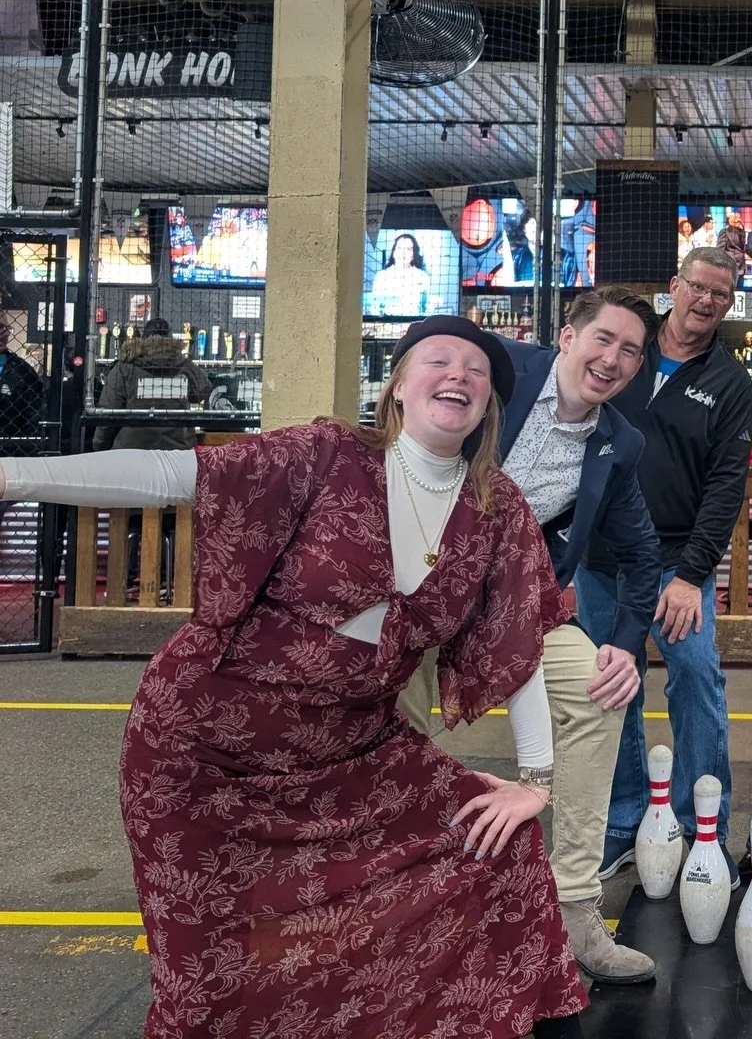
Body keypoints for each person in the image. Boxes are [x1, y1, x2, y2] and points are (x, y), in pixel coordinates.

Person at [0, 316, 587, 1039]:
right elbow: (170, 475)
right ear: (399, 385)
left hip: (353, 754)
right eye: (438, 359)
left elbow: (518, 644)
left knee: (499, 842)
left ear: (490, 403)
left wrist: (535, 782)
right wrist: (10, 475)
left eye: (477, 370)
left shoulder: (497, 510)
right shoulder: (325, 456)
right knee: (216, 974)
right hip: (206, 751)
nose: (458, 375)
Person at [398, 285, 664, 986]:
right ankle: (394, 898)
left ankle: (574, 910)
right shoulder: (497, 369)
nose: (612, 359)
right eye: (603, 338)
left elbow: (642, 553)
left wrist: (625, 644)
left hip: (510, 603)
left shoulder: (618, 442)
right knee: (386, 719)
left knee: (601, 691)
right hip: (408, 592)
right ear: (568, 337)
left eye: (630, 351)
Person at [575, 247, 752, 886]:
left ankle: (703, 830)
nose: (706, 301)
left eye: (720, 294)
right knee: (611, 689)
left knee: (697, 683)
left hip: (677, 565)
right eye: (698, 287)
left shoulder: (729, 382)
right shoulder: (625, 352)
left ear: (728, 304)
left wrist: (689, 576)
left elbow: (726, 488)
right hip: (603, 561)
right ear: (674, 287)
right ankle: (624, 822)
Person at [92, 318, 212, 451]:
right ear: (170, 338)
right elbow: (203, 390)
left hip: (131, 450)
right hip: (177, 450)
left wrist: (99, 445)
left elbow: (109, 412)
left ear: (143, 339)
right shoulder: (183, 365)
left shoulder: (125, 368)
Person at [0, 316, 45, 440]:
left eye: (6, 328)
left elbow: (33, 416)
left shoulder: (22, 370)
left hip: (10, 445)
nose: (5, 333)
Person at [369, 231, 433, 316]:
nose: (403, 253)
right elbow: (375, 307)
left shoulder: (423, 277)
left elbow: (428, 307)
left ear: (414, 255)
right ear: (394, 253)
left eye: (408, 249)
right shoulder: (382, 276)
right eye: (399, 248)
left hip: (414, 323)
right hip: (388, 322)